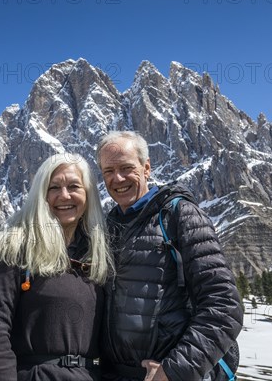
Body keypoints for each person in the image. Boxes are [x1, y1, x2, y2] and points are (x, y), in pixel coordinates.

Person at [96, 131, 243, 381]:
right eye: (108, 171)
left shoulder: (178, 215)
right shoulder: (107, 226)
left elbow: (224, 304)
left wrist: (174, 371)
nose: (117, 178)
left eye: (126, 168)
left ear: (146, 168)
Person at [0, 153, 113, 381]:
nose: (64, 195)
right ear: (41, 194)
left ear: (88, 195)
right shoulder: (15, 246)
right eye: (54, 187)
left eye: (74, 186)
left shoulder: (96, 252)